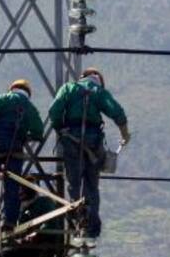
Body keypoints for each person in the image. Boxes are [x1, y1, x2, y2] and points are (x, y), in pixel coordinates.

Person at [48, 67, 131, 240]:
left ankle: (76, 218)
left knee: (74, 181)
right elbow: (118, 113)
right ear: (98, 80)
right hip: (93, 142)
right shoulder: (99, 92)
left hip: (71, 139)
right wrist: (125, 135)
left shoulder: (69, 88)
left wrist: (60, 128)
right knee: (92, 184)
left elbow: (54, 111)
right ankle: (92, 226)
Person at [0, 78, 43, 233]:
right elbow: (38, 130)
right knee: (12, 186)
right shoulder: (30, 107)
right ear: (27, 93)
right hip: (15, 150)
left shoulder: (0, 99)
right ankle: (9, 222)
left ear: (12, 88)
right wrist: (29, 136)